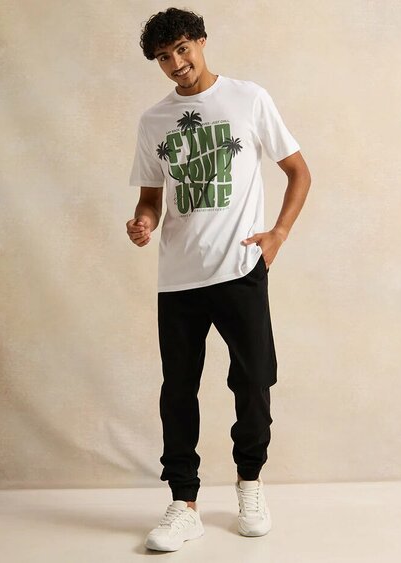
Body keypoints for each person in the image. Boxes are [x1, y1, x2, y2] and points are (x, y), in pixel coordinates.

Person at [127, 7, 311, 552]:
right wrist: (142, 222)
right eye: (164, 57)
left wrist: (278, 234)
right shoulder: (154, 121)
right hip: (178, 278)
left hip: (240, 268)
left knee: (253, 382)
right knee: (178, 391)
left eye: (183, 49)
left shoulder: (248, 98)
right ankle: (183, 504)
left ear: (202, 42)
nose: (176, 63)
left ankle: (250, 484)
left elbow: (298, 171)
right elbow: (150, 198)